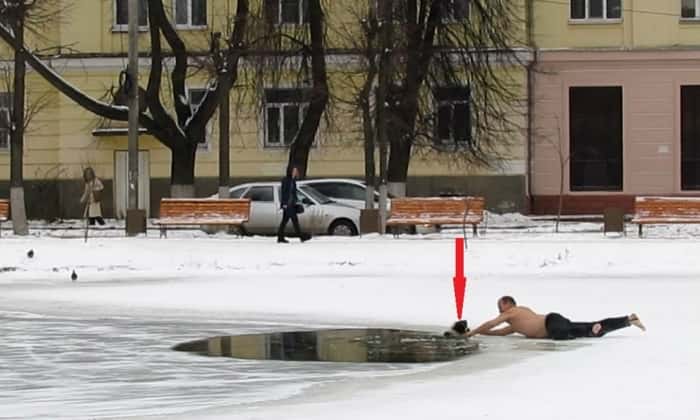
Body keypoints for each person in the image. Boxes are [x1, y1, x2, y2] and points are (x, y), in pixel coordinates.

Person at [451, 296, 645, 340]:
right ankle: (627, 320)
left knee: (568, 333)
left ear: (508, 304)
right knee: (592, 327)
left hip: (552, 323)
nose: (499, 310)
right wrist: (477, 333)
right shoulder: (515, 324)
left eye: (500, 306)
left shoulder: (514, 311)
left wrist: (472, 333)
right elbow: (498, 332)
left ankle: (621, 322)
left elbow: (491, 323)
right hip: (555, 324)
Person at [277, 165, 310, 243]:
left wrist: (297, 201)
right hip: (288, 205)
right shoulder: (286, 180)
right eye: (294, 171)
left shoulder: (293, 181)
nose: (296, 172)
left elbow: (293, 193)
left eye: (296, 171)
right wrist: (284, 203)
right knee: (294, 221)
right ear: (290, 171)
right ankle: (301, 236)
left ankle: (280, 237)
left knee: (284, 221)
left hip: (292, 204)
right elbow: (284, 192)